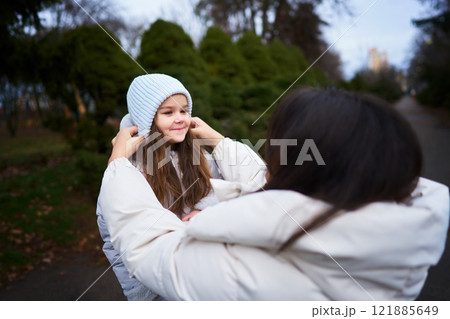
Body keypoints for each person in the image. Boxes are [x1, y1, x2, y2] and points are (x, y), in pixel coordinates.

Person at [98, 87, 449, 300]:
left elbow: (150, 248)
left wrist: (117, 165)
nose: (268, 163)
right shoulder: (404, 233)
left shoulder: (243, 273)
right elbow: (267, 188)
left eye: (279, 152)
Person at [96, 74, 223, 300]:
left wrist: (205, 211)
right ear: (146, 119)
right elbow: (116, 233)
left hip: (204, 277)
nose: (180, 118)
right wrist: (141, 295)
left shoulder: (198, 153)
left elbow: (220, 189)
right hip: (157, 286)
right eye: (168, 112)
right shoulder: (129, 169)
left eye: (184, 110)